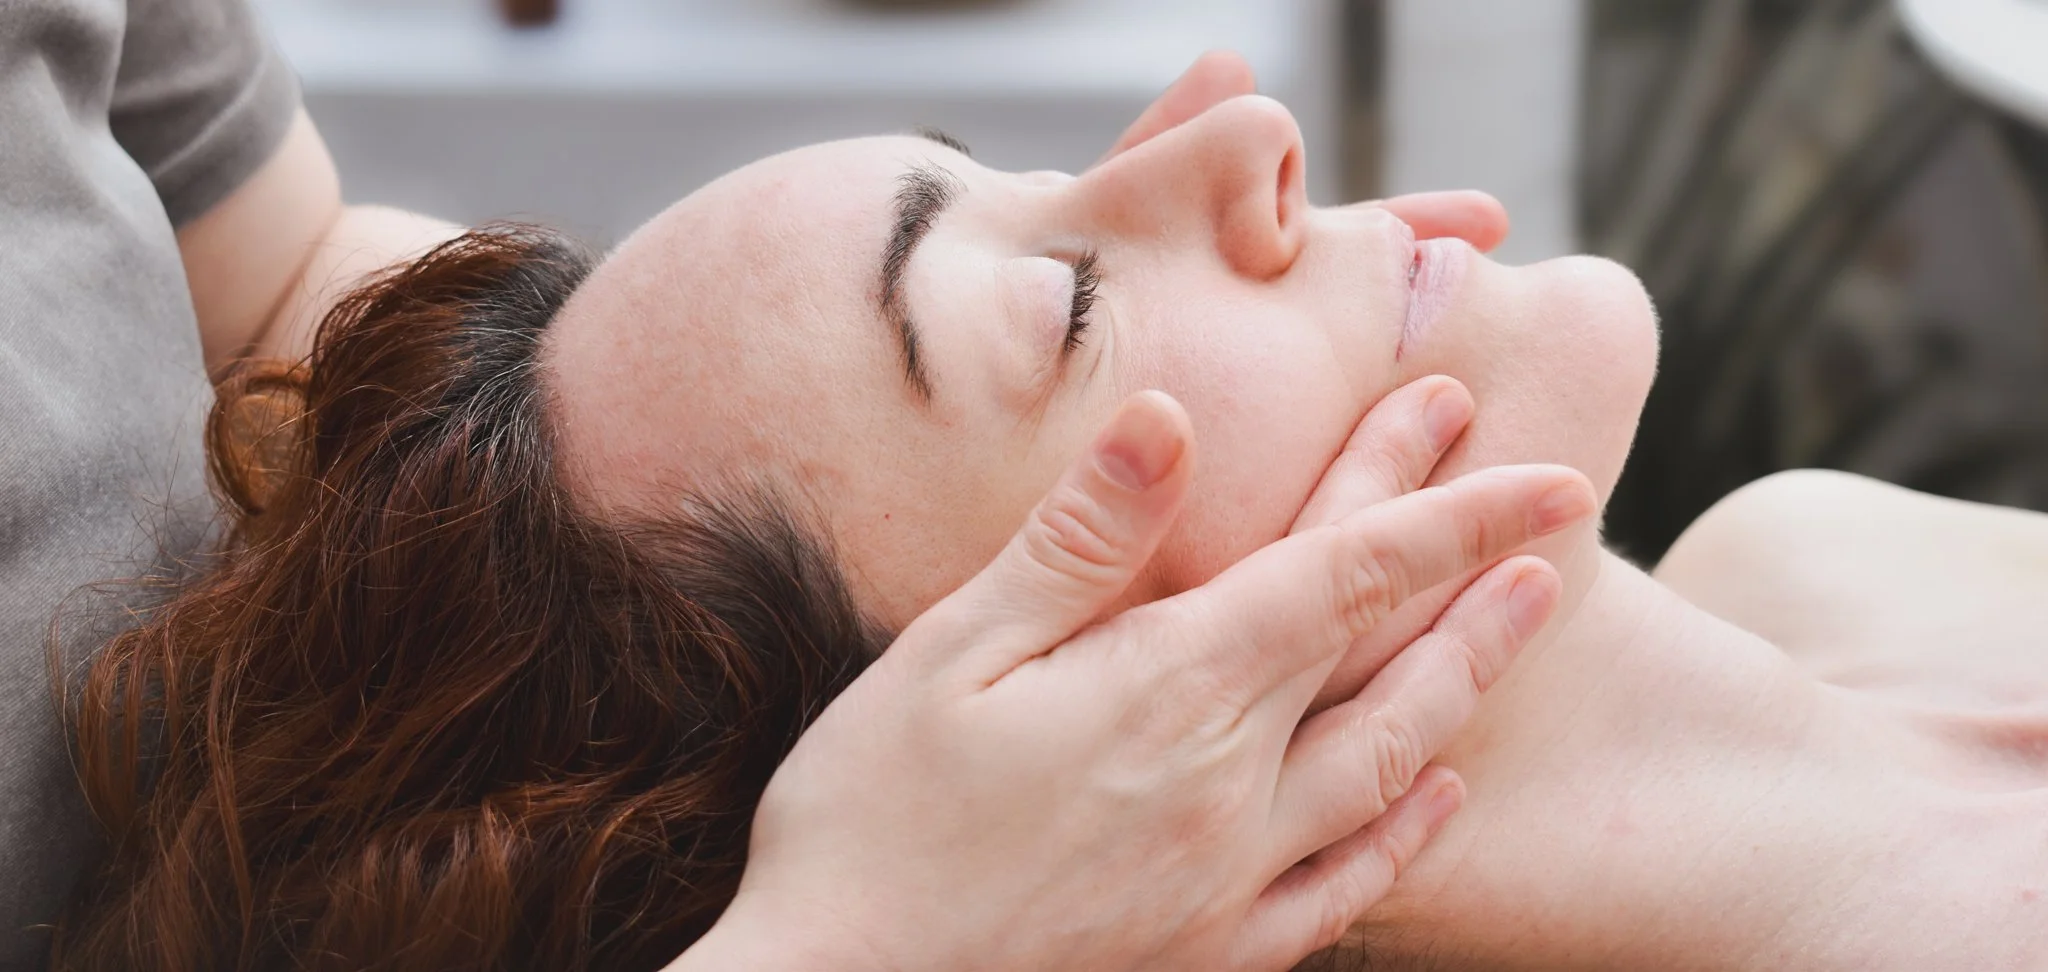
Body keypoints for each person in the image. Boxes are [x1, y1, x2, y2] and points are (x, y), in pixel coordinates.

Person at [61, 40, 2048, 970]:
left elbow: (279, 254)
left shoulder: (1818, 552)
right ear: (1030, 779)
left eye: (1016, 169)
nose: (1235, 124)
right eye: (1062, 301)